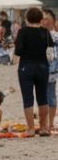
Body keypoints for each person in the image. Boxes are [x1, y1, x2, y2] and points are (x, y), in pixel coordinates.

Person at [13, 7, 54, 135]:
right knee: (42, 97)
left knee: (28, 97)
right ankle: (43, 127)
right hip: (43, 66)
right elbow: (51, 50)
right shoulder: (46, 32)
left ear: (27, 18)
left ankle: (31, 128)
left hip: (26, 66)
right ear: (41, 19)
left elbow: (18, 51)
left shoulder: (23, 31)